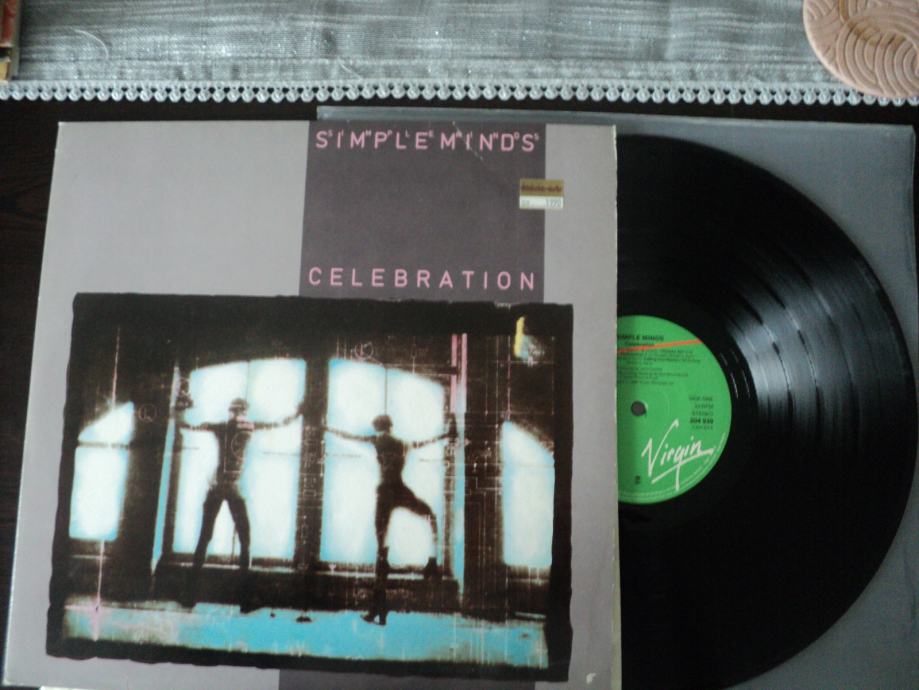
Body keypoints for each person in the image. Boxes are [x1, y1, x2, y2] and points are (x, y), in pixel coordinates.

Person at [326, 412, 456, 624]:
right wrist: (444, 435)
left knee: (381, 551)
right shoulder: (401, 443)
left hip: (386, 493)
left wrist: (328, 428)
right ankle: (429, 564)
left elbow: (350, 436)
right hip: (399, 489)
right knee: (430, 516)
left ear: (379, 427)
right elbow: (424, 442)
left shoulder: (378, 440)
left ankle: (379, 606)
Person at [177, 396, 304, 609]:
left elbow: (188, 426)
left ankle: (190, 596)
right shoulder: (248, 426)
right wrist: (297, 413)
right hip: (233, 487)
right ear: (244, 411)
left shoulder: (221, 427)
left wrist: (180, 410)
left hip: (218, 485)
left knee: (205, 537)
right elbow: (278, 424)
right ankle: (244, 599)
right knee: (244, 539)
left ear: (232, 411)